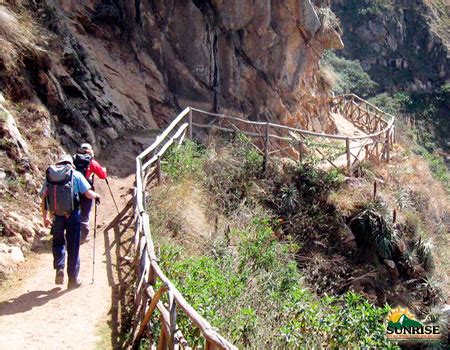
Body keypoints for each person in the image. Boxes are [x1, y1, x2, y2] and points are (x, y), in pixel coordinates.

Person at [40, 154, 101, 288]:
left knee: (58, 242)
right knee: (73, 246)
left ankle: (59, 268)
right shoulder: (75, 174)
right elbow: (88, 194)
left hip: (56, 216)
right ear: (70, 163)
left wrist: (45, 217)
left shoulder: (50, 176)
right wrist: (97, 195)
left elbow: (43, 197)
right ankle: (73, 279)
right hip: (73, 215)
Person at [73, 143, 107, 243]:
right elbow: (102, 175)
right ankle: (83, 236)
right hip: (87, 190)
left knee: (74, 210)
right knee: (85, 213)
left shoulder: (73, 160)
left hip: (73, 190)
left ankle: (73, 233)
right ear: (90, 151)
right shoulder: (91, 162)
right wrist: (104, 170)